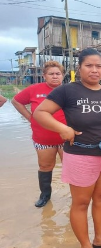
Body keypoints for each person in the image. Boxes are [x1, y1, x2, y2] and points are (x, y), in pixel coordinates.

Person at [33, 48, 101, 248]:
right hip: (81, 155)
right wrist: (62, 129)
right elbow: (40, 113)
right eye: (89, 66)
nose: (94, 70)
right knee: (81, 202)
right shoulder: (67, 91)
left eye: (99, 66)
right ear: (79, 68)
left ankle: (100, 237)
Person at [11, 60, 66, 207]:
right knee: (45, 166)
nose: (55, 76)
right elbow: (16, 101)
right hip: (43, 138)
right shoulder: (34, 89)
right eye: (51, 74)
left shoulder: (69, 90)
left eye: (58, 74)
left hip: (66, 137)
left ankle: (76, 195)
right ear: (44, 76)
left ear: (63, 75)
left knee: (71, 166)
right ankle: (45, 196)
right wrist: (30, 117)